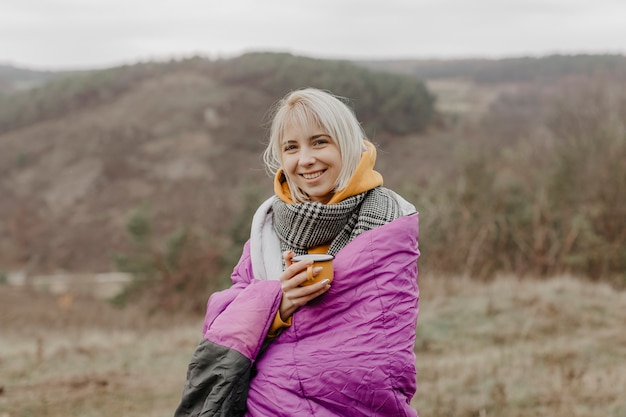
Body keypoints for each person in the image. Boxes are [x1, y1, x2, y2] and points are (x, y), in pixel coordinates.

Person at [174, 88, 420, 417]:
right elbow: (224, 319)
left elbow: (377, 350)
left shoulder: (389, 220)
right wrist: (279, 304)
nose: (305, 159)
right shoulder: (268, 230)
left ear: (345, 144)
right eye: (291, 147)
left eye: (320, 142)